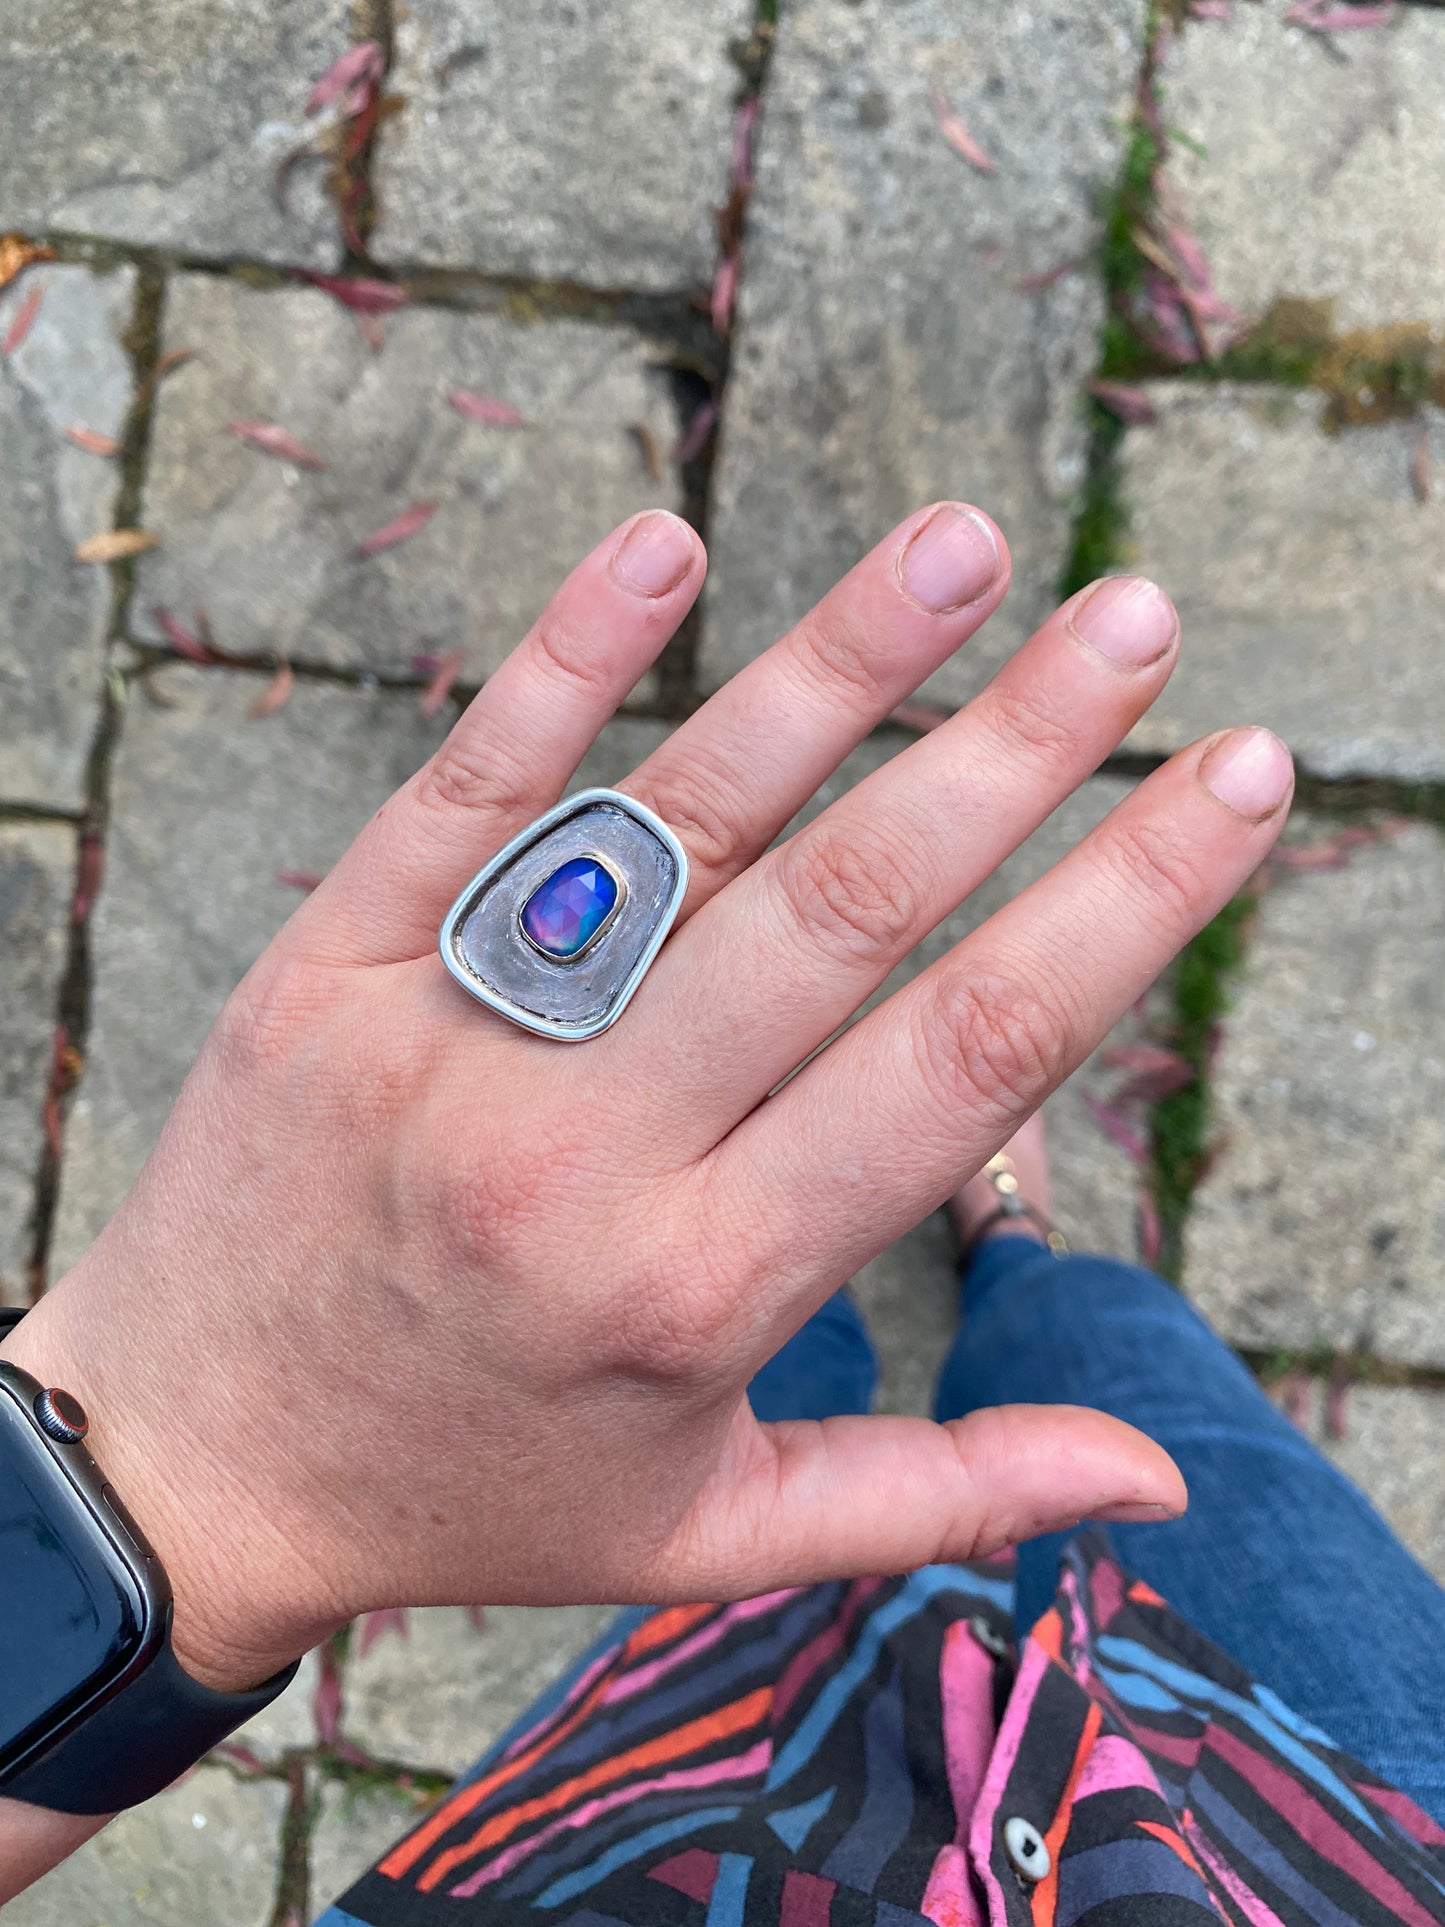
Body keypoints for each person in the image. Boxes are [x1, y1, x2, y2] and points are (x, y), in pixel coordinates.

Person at [1, 505, 1440, 1923]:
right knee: (1111, 1356)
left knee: (717, 1318)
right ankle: (999, 1243)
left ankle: (788, 1244)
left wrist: (201, 1464)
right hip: (1302, 1824)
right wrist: (201, 1487)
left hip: (670, 1822)